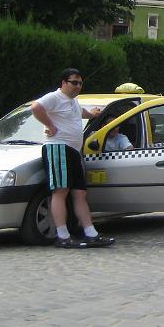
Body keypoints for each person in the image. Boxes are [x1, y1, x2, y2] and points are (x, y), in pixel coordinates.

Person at [30, 68, 115, 249]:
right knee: (60, 191)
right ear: (63, 82)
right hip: (58, 148)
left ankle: (91, 233)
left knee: (80, 193)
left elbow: (79, 113)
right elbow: (35, 107)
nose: (77, 86)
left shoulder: (72, 102)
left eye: (80, 83)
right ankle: (62, 235)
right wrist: (50, 125)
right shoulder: (54, 97)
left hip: (74, 151)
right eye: (74, 82)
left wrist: (91, 114)